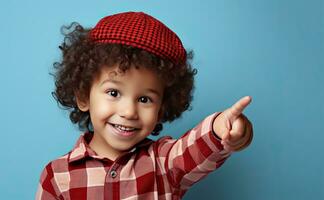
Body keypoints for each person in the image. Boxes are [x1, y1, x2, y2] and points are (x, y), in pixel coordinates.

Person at [36, 11, 253, 200]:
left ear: (161, 108)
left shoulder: (165, 162)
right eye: (114, 93)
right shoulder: (57, 175)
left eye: (144, 99)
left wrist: (220, 129)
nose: (129, 111)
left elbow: (195, 148)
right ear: (84, 96)